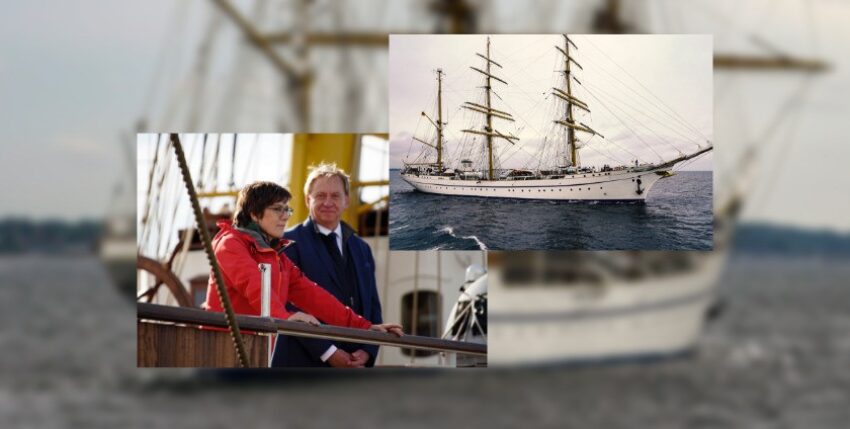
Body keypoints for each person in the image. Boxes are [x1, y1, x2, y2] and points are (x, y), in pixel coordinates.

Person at [202, 181, 402, 355]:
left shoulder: (277, 256)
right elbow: (254, 287)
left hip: (257, 350)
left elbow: (315, 297)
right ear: (254, 214)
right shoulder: (230, 244)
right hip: (223, 349)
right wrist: (286, 318)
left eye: (287, 210)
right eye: (277, 209)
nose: (285, 216)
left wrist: (366, 327)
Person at [271, 163, 385, 368]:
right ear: (308, 200)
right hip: (302, 366)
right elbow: (287, 307)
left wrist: (368, 350)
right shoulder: (287, 244)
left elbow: (372, 307)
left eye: (335, 196)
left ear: (346, 201)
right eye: (320, 195)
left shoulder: (362, 249)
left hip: (355, 366)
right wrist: (329, 353)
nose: (328, 202)